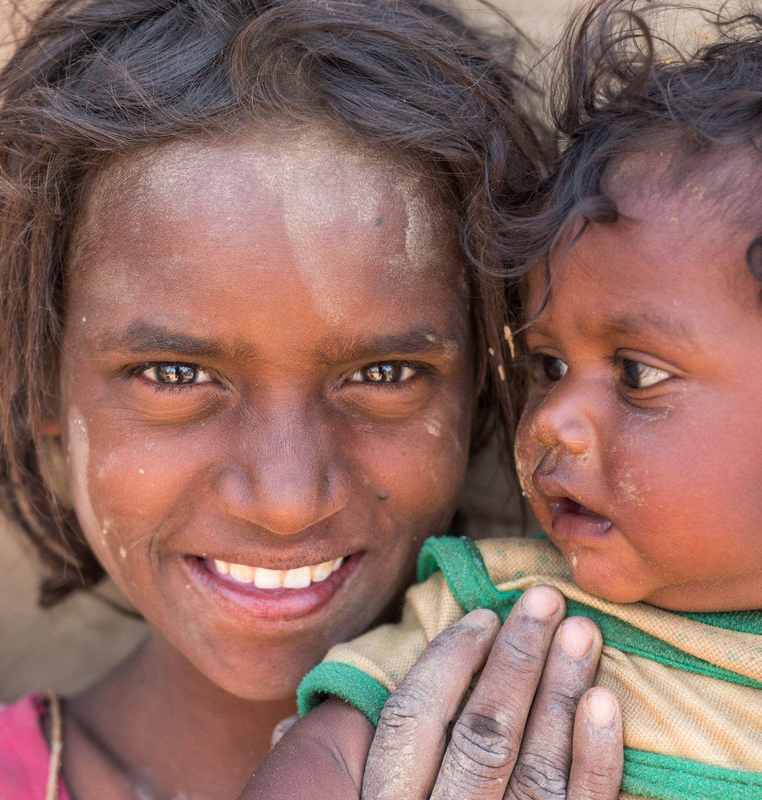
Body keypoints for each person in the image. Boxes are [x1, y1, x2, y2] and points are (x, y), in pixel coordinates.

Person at [0, 1, 625, 798]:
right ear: (43, 380)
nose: (285, 502)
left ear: (487, 386)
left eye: (383, 374)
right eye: (174, 374)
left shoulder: (679, 748)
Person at [239, 1, 762, 799]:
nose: (551, 420)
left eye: (636, 373)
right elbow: (330, 762)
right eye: (548, 366)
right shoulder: (500, 614)